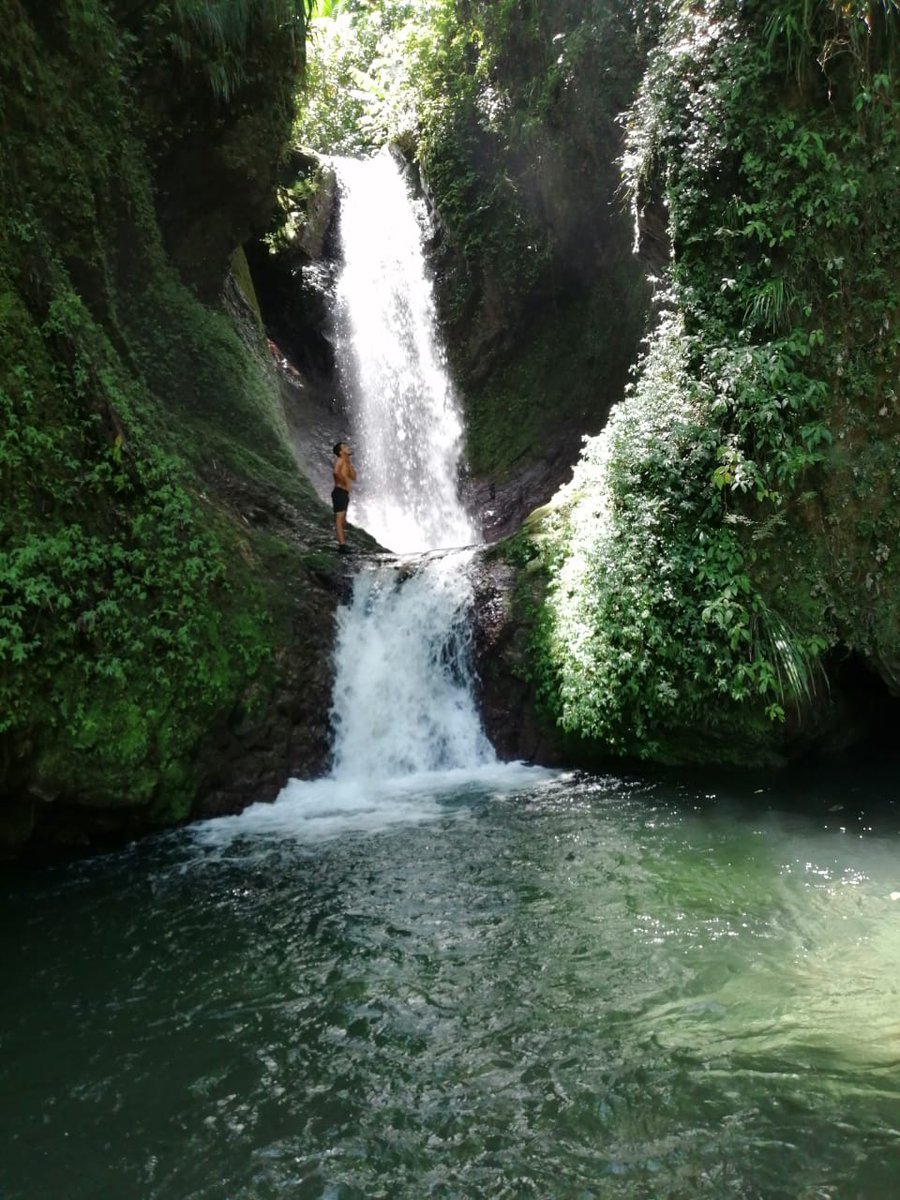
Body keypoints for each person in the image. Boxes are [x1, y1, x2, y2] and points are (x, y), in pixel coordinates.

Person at [331, 440, 357, 553]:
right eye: (345, 447)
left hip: (344, 493)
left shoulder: (346, 462)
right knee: (339, 518)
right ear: (341, 452)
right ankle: (342, 545)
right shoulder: (340, 460)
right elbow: (335, 472)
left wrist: (349, 463)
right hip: (339, 492)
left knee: (342, 520)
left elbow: (354, 477)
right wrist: (344, 481)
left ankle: (342, 543)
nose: (348, 447)